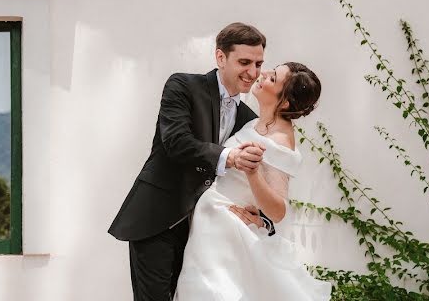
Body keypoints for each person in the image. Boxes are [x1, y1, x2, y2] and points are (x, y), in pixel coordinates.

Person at [108, 22, 270, 300]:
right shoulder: (182, 85)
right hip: (159, 219)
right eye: (244, 62)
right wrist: (229, 157)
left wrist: (261, 217)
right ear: (221, 57)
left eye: (258, 64)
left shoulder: (249, 119)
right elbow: (176, 142)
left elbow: (246, 181)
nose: (253, 73)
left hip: (206, 234)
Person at [173, 61, 329, 300]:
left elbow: (278, 210)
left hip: (226, 232)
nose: (263, 74)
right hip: (211, 226)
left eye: (273, 78)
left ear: (285, 102)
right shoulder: (253, 123)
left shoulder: (280, 139)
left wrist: (253, 174)